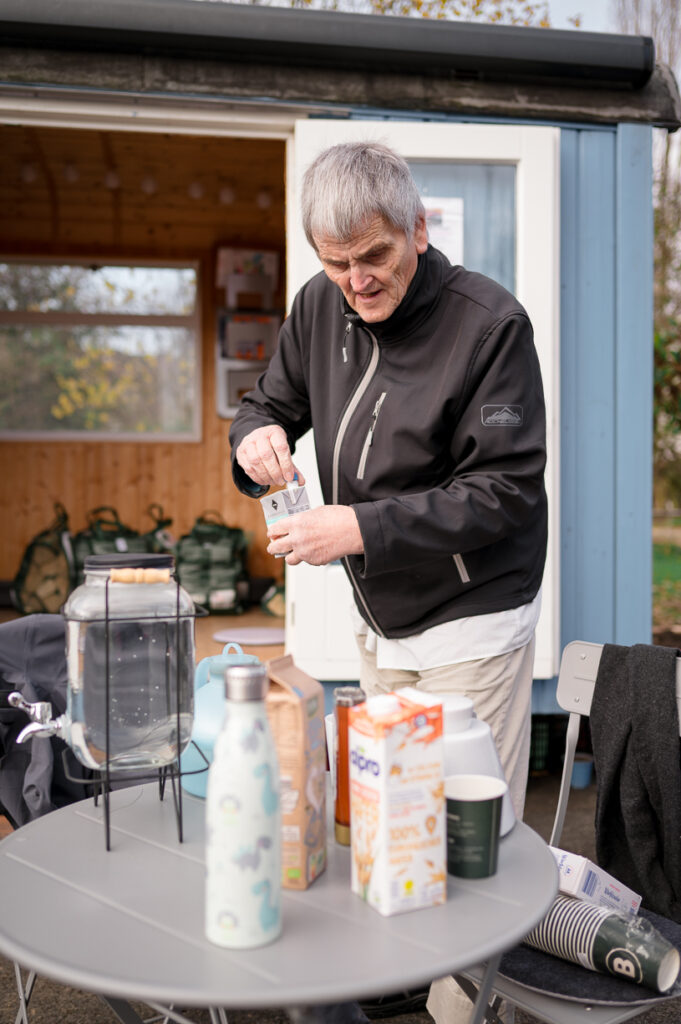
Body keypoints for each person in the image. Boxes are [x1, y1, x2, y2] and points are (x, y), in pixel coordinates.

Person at [230, 140, 547, 1019]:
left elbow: (505, 491)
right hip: (381, 614)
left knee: (470, 845)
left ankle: (462, 1007)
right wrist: (253, 439)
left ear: (418, 228)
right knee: (391, 811)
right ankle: (401, 979)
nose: (356, 282)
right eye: (336, 263)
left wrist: (360, 527)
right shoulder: (319, 304)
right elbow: (267, 403)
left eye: (373, 256)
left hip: (474, 616)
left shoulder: (489, 325)